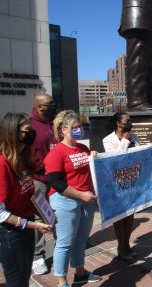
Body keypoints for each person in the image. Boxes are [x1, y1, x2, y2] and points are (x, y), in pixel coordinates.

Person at [44, 111, 101, 287]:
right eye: (75, 128)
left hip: (86, 201)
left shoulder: (82, 148)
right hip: (65, 202)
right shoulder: (57, 152)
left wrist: (94, 157)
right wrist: (80, 194)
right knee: (65, 242)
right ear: (64, 130)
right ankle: (61, 280)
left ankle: (80, 273)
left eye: (80, 127)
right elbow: (55, 181)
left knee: (81, 239)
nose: (79, 130)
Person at [0, 113, 52, 287]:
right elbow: (0, 213)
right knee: (17, 282)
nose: (33, 133)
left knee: (24, 277)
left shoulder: (22, 158)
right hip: (10, 232)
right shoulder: (2, 164)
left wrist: (46, 214)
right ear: (13, 133)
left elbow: (29, 195)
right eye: (28, 130)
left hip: (26, 225)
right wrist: (33, 225)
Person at [102, 112, 140, 261]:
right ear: (118, 123)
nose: (129, 123)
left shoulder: (134, 136)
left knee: (130, 214)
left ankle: (127, 245)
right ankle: (121, 246)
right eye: (126, 121)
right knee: (120, 216)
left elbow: (137, 153)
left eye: (130, 120)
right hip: (116, 182)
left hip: (131, 180)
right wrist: (124, 140)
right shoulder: (108, 140)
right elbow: (115, 158)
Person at [119, 0, 152, 110]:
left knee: (149, 61)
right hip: (137, 12)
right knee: (138, 58)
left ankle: (148, 98)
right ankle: (137, 101)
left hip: (150, 16)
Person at [31, 93, 58, 275]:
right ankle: (37, 255)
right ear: (38, 106)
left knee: (58, 213)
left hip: (56, 179)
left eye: (52, 104)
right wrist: (43, 167)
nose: (51, 107)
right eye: (47, 105)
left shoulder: (55, 122)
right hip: (39, 178)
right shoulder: (29, 125)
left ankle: (62, 246)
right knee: (40, 217)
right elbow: (26, 154)